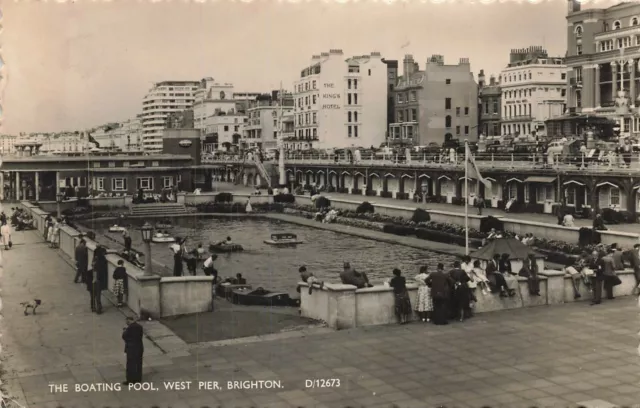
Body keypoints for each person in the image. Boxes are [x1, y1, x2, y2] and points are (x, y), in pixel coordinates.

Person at [122, 316, 144, 385]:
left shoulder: (129, 328)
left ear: (129, 321)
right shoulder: (139, 327)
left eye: (127, 322)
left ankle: (130, 380)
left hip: (131, 349)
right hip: (139, 347)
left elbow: (124, 336)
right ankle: (138, 378)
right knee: (138, 363)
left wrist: (125, 331)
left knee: (130, 364)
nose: (126, 323)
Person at [92, 246, 108, 314]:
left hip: (97, 279)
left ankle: (97, 307)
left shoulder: (97, 261)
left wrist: (94, 279)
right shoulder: (104, 261)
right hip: (101, 279)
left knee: (96, 294)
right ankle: (98, 307)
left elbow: (95, 270)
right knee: (98, 294)